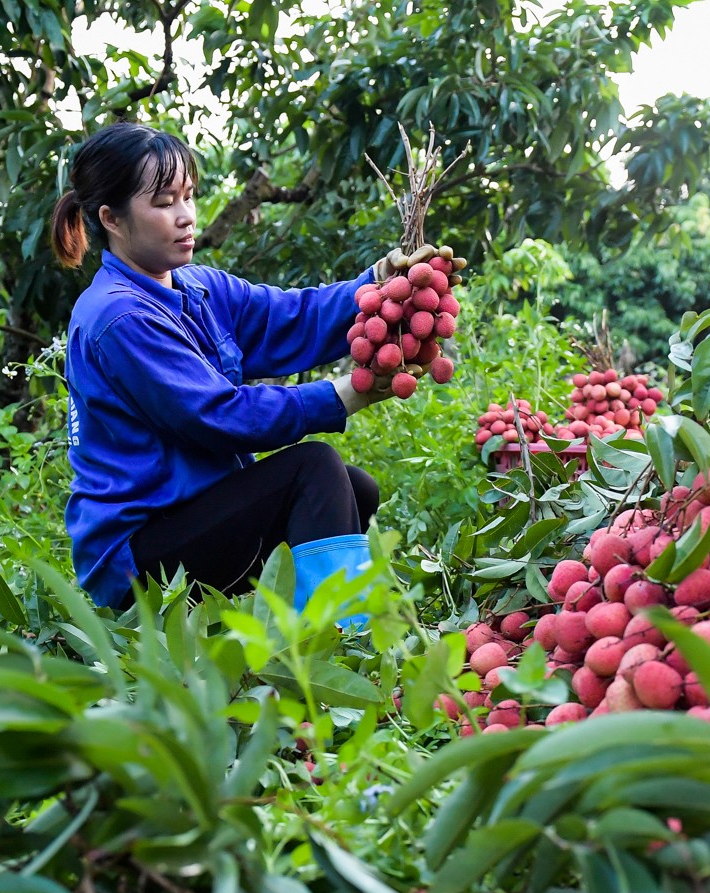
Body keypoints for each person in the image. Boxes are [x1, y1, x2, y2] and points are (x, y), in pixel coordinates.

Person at [50, 123, 437, 615]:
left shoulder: (197, 288)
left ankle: (299, 620)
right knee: (313, 469)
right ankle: (344, 640)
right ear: (113, 219)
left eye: (188, 196)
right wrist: (344, 395)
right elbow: (216, 416)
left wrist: (378, 285)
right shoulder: (118, 316)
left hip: (192, 518)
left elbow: (291, 318)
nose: (186, 217)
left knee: (352, 488)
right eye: (164, 202)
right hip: (138, 560)